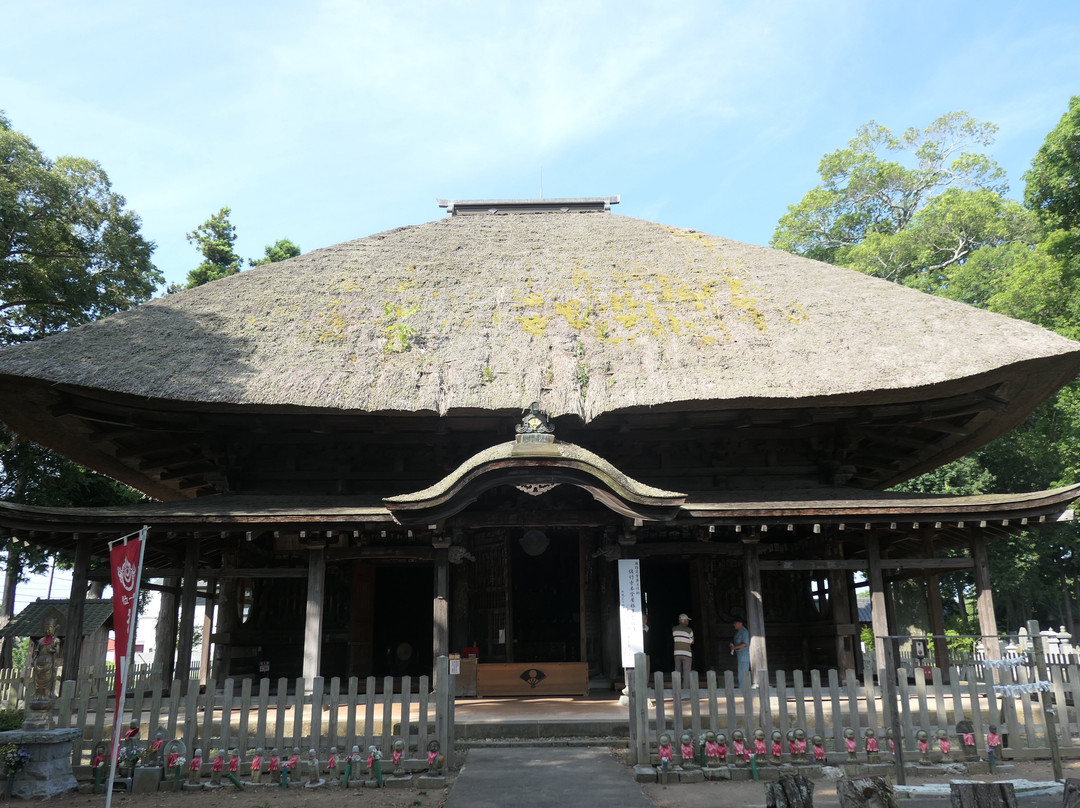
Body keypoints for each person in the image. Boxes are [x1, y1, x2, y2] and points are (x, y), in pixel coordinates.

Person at [31, 620, 61, 700]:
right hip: (40, 661)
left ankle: (47, 694)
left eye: (50, 627)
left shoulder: (56, 640)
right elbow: (37, 650)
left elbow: (57, 651)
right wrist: (35, 654)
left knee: (48, 679)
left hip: (49, 661)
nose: (47, 630)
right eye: (46, 628)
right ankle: (38, 695)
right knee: (38, 680)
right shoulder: (41, 641)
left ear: (54, 629)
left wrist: (53, 650)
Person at [672, 613, 693, 685]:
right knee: (686, 673)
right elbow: (692, 641)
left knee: (677, 671)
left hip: (677, 653)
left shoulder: (674, 629)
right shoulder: (689, 630)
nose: (688, 622)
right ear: (684, 620)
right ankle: (686, 691)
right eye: (687, 620)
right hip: (687, 653)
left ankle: (677, 688)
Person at [730, 617, 750, 689]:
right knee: (740, 672)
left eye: (735, 623)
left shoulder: (745, 632)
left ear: (740, 623)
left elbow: (745, 644)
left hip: (744, 655)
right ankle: (741, 688)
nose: (734, 625)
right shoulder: (738, 632)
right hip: (740, 655)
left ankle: (744, 688)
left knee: (744, 672)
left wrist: (735, 647)